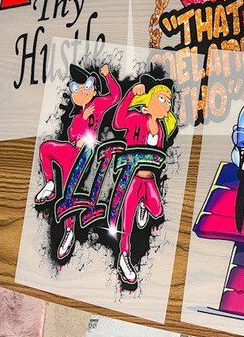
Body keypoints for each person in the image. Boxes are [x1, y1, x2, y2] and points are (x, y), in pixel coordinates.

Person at [35, 64, 121, 260]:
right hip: (71, 153)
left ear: (94, 89)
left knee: (70, 193)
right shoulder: (77, 116)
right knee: (46, 148)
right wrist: (82, 117)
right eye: (76, 89)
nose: (81, 92)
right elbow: (72, 134)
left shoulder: (98, 104)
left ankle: (69, 232)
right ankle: (50, 184)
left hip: (85, 156)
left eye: (86, 87)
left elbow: (115, 96)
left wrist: (107, 76)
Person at [112, 75, 178, 285]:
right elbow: (118, 122)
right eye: (161, 99)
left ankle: (144, 205)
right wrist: (131, 94)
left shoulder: (161, 129)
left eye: (168, 101)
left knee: (157, 211)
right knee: (127, 223)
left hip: (149, 181)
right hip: (131, 180)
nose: (166, 104)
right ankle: (124, 256)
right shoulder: (136, 119)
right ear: (149, 100)